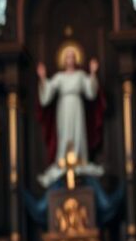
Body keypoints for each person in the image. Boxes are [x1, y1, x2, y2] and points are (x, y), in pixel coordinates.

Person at [36, 45, 104, 187]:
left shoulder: (80, 75)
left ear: (76, 59)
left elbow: (91, 93)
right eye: (68, 57)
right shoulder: (59, 77)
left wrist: (92, 73)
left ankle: (80, 160)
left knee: (79, 134)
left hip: (77, 108)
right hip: (64, 109)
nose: (70, 59)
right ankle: (63, 160)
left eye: (73, 57)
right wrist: (42, 78)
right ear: (64, 60)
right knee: (65, 135)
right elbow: (46, 95)